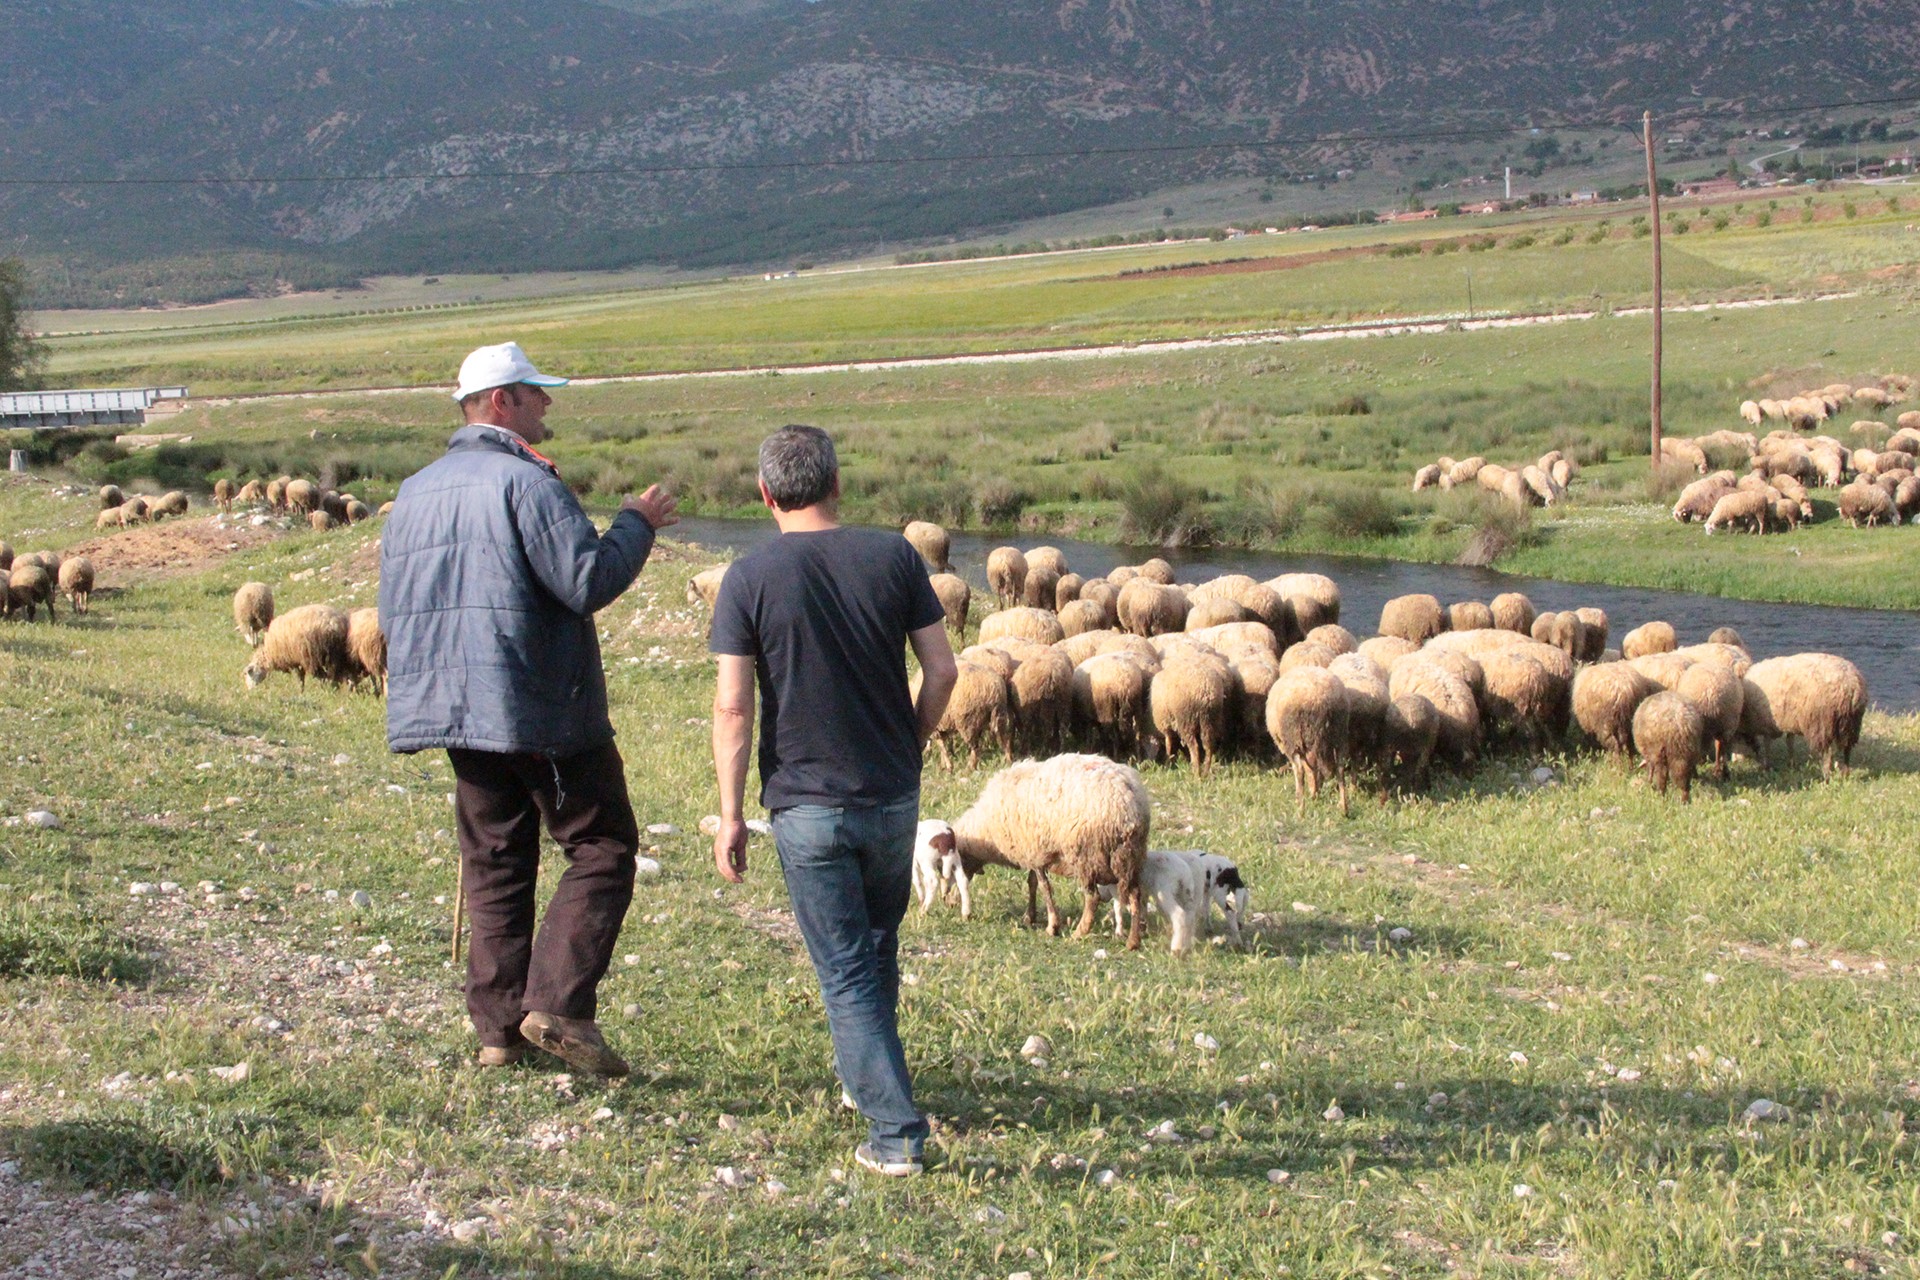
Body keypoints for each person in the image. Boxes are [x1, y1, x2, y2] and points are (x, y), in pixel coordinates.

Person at [380, 341, 678, 1076]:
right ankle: (559, 1005)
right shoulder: (527, 483)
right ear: (501, 402)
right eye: (536, 392)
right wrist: (634, 522)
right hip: (537, 705)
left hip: (452, 707)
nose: (549, 403)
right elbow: (586, 581)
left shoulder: (415, 490)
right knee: (603, 845)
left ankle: (497, 1032)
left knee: (495, 858)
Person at [709, 425, 958, 1177]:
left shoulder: (747, 577)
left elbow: (732, 709)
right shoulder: (893, 554)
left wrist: (729, 814)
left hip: (806, 804)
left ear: (764, 494)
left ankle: (895, 1136)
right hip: (890, 796)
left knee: (846, 967)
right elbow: (943, 671)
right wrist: (910, 744)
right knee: (875, 946)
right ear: (836, 483)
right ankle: (868, 1081)